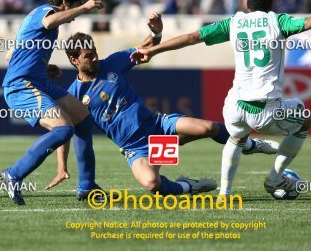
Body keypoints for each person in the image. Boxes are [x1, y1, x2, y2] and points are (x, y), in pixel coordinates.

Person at [130, 0, 311, 199]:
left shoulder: (234, 22)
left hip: (234, 108)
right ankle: (275, 178)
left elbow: (193, 37)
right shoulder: (278, 21)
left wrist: (154, 50)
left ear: (247, 4)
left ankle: (225, 194)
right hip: (266, 109)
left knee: (235, 138)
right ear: (272, 4)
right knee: (303, 122)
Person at [45, 13, 278, 197]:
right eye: (88, 56)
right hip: (134, 148)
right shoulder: (73, 96)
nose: (94, 57)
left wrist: (156, 33)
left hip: (158, 126)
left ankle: (249, 144)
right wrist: (61, 166)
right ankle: (187, 186)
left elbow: (146, 48)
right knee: (152, 184)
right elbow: (64, 132)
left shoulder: (113, 63)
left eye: (94, 52)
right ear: (74, 60)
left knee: (209, 128)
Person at [0, 0, 104, 205]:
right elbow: (49, 21)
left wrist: (42, 67)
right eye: (74, 7)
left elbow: (11, 54)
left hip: (38, 80)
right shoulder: (46, 14)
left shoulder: (35, 17)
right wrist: (85, 8)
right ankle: (14, 174)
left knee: (83, 120)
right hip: (22, 86)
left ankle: (87, 186)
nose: (74, 16)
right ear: (65, 4)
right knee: (64, 129)